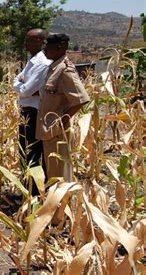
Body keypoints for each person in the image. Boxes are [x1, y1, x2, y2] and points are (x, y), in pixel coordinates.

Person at [36, 33, 90, 182]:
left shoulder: (65, 71)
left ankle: (61, 203)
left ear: (60, 48)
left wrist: (62, 121)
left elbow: (81, 99)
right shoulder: (53, 68)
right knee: (51, 171)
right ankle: (53, 202)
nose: (44, 50)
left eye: (48, 47)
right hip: (48, 130)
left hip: (57, 132)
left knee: (59, 174)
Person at [13, 29, 51, 194]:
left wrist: (23, 85)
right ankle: (29, 184)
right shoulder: (32, 61)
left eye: (29, 39)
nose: (25, 42)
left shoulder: (42, 63)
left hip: (33, 113)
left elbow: (26, 90)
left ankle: (35, 189)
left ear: (39, 42)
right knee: (24, 148)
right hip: (26, 110)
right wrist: (21, 84)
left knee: (32, 150)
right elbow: (17, 81)